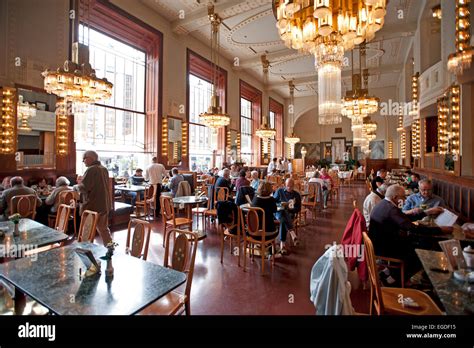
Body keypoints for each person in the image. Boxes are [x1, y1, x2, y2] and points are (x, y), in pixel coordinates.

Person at [369, 184, 451, 280]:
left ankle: (388, 273)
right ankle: (394, 279)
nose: (405, 199)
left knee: (419, 242)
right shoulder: (391, 209)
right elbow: (412, 228)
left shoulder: (384, 203)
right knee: (421, 254)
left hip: (381, 242)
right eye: (403, 196)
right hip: (385, 247)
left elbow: (404, 218)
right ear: (395, 197)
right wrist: (440, 230)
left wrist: (426, 212)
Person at [74, 151, 112, 246]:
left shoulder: (91, 169)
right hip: (104, 204)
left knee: (86, 230)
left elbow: (84, 187)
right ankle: (110, 249)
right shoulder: (104, 169)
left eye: (84, 158)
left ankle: (84, 250)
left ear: (91, 158)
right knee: (103, 229)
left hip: (92, 205)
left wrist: (75, 187)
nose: (83, 161)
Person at [273, 178, 301, 254]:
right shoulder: (279, 191)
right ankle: (292, 234)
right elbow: (273, 202)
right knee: (283, 211)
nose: (289, 187)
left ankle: (283, 245)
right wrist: (280, 205)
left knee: (283, 219)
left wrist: (291, 208)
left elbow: (298, 208)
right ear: (285, 185)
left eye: (291, 186)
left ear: (294, 186)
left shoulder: (296, 195)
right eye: (288, 186)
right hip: (278, 213)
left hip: (289, 214)